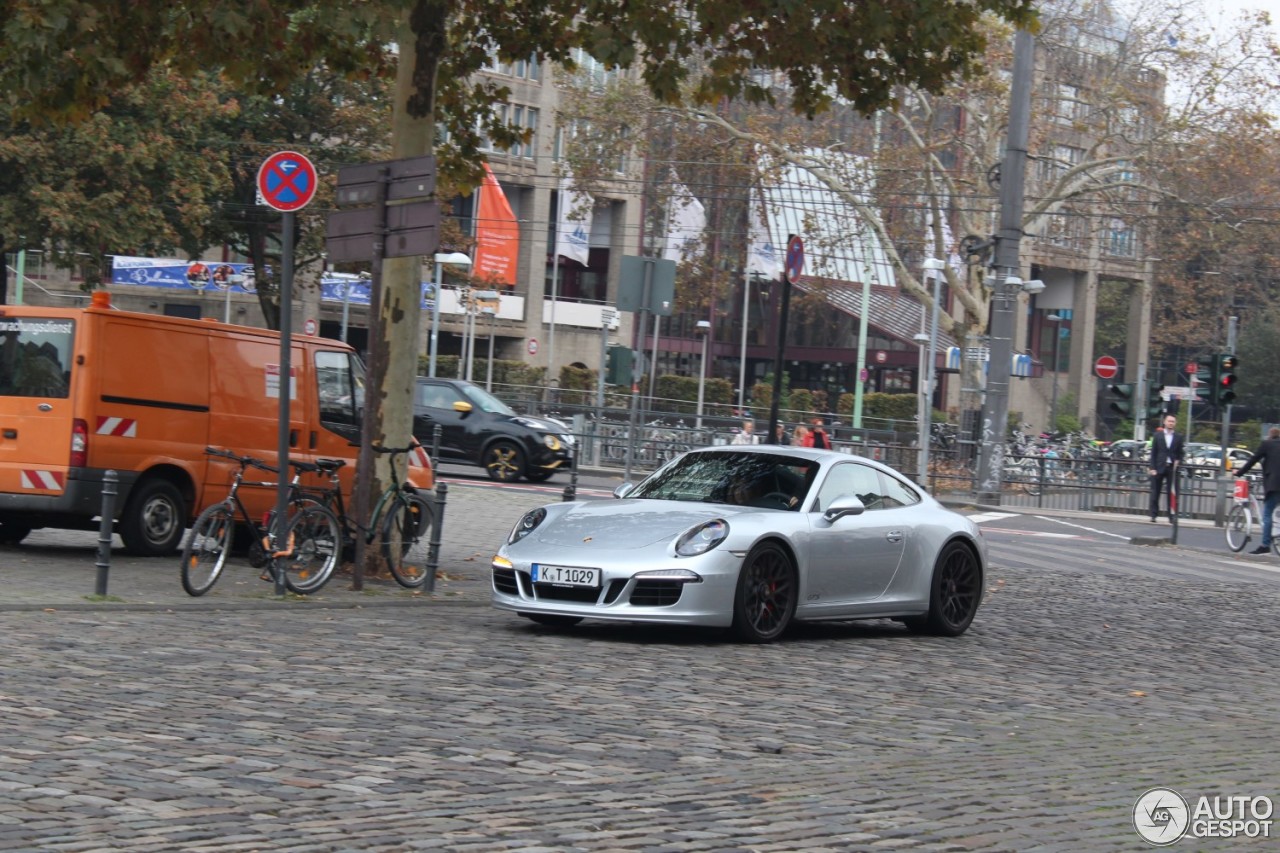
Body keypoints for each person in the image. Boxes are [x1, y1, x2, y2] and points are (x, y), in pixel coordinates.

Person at [1236, 426, 1280, 554]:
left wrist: (1239, 472)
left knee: (1267, 514)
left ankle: (1265, 545)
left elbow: (1253, 459)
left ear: (1270, 435)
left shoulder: (1266, 444)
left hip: (1274, 484)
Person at [1148, 413, 1184, 522]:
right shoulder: (1157, 436)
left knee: (1172, 493)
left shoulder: (1178, 437)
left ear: (1175, 423)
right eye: (1169, 421)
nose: (1171, 423)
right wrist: (1152, 468)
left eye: (1173, 421)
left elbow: (1181, 453)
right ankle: (1153, 515)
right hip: (1159, 467)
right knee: (1155, 491)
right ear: (1164, 422)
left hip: (1172, 468)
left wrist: (1179, 460)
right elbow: (1153, 453)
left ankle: (1171, 515)